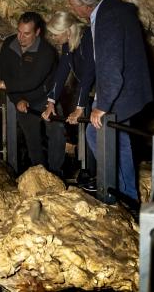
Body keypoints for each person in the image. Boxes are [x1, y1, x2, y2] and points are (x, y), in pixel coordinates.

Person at [67, 0, 154, 203]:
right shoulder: (114, 10)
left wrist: (102, 106)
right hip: (130, 90)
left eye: (72, 4)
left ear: (84, 6)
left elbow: (110, 66)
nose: (71, 9)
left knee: (99, 135)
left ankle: (119, 195)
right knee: (119, 140)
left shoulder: (107, 18)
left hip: (122, 93)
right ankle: (126, 194)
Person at [0, 12, 60, 173]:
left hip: (47, 99)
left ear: (37, 32)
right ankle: (40, 175)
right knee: (32, 140)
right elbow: (6, 74)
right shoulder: (9, 45)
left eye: (26, 34)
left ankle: (56, 173)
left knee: (56, 135)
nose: (21, 37)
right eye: (19, 31)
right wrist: (17, 99)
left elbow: (32, 81)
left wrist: (2, 84)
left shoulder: (46, 52)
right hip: (23, 100)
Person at [41, 11, 96, 185]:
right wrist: (51, 103)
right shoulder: (67, 45)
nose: (53, 37)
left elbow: (89, 73)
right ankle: (90, 172)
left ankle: (99, 175)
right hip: (89, 92)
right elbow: (61, 73)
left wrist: (79, 107)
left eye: (56, 34)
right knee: (89, 133)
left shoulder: (88, 38)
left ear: (68, 31)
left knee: (95, 133)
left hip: (102, 90)